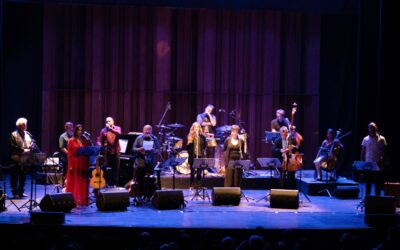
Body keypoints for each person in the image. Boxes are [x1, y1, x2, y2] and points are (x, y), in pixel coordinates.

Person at [9, 117, 37, 198]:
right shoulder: (13, 134)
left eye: (26, 124)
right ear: (19, 125)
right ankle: (15, 193)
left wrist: (31, 148)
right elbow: (12, 146)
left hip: (26, 158)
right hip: (16, 157)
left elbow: (33, 144)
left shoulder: (28, 134)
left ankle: (21, 191)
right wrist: (23, 150)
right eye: (23, 125)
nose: (25, 126)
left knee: (23, 175)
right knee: (15, 175)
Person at [132, 125, 160, 201]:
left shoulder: (154, 138)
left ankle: (148, 196)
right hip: (140, 162)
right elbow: (133, 149)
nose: (147, 131)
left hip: (150, 162)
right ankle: (139, 196)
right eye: (146, 130)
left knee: (150, 180)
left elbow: (158, 150)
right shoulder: (139, 138)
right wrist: (139, 149)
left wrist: (153, 150)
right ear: (143, 130)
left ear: (151, 131)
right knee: (140, 180)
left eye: (149, 130)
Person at [66, 124, 91, 207]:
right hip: (74, 163)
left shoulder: (85, 141)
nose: (80, 132)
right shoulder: (71, 141)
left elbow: (88, 151)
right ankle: (74, 199)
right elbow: (69, 154)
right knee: (75, 181)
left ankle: (83, 199)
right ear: (75, 131)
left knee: (82, 181)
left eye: (81, 130)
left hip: (83, 163)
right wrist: (70, 166)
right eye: (78, 130)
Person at [360, 122, 387, 196]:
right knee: (368, 182)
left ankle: (377, 200)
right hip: (368, 163)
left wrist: (382, 164)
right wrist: (362, 163)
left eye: (373, 127)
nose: (372, 129)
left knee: (377, 183)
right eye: (370, 127)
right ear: (368, 129)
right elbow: (363, 151)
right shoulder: (365, 139)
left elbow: (383, 152)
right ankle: (367, 199)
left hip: (377, 163)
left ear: (376, 128)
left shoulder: (382, 139)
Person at [97, 117, 121, 187]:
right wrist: (101, 146)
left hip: (116, 151)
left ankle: (114, 184)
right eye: (107, 121)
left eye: (109, 121)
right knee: (104, 167)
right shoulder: (103, 130)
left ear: (113, 122)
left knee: (116, 168)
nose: (108, 123)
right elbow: (99, 140)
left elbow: (119, 134)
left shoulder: (117, 128)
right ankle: (104, 183)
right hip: (107, 152)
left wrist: (111, 129)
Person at [186, 122, 207, 189]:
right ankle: (191, 185)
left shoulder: (202, 136)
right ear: (193, 128)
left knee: (199, 172)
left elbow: (205, 146)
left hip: (200, 156)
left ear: (199, 128)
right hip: (193, 156)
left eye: (197, 127)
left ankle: (198, 185)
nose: (196, 128)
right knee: (192, 172)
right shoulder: (190, 136)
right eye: (195, 127)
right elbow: (188, 148)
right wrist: (189, 143)